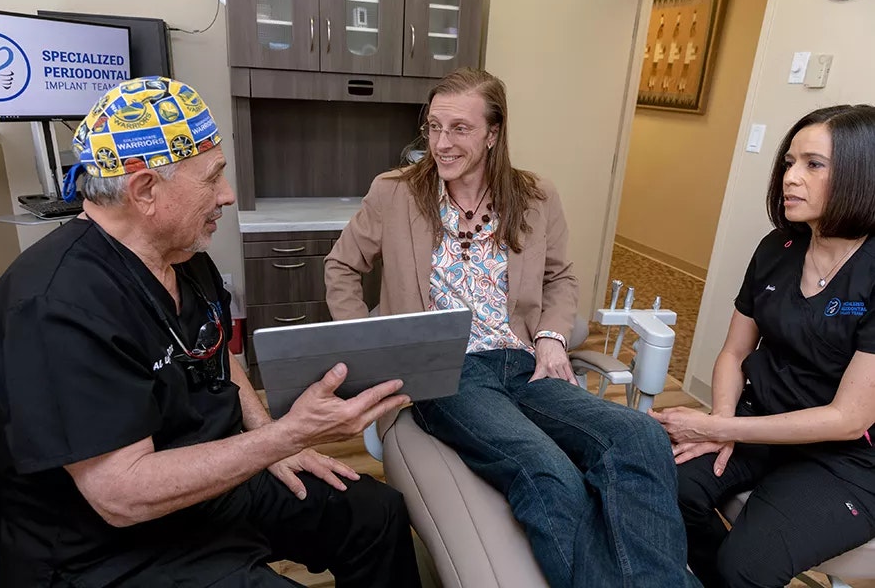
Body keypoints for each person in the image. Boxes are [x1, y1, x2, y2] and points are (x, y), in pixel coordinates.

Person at [0, 76, 422, 588]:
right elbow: (121, 495)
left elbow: (212, 348)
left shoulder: (182, 256)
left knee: (375, 514)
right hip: (105, 547)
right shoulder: (54, 307)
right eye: (213, 178)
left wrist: (274, 441)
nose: (227, 195)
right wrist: (287, 434)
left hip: (208, 484)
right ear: (145, 190)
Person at [324, 67, 698, 588]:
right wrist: (371, 345)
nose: (441, 143)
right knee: (548, 471)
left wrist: (550, 338)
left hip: (523, 361)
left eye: (460, 128)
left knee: (639, 436)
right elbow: (342, 266)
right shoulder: (396, 193)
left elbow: (561, 277)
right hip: (445, 371)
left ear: (493, 133)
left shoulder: (535, 196)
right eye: (434, 127)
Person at [651, 104, 875, 587]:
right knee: (661, 487)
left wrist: (722, 426)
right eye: (789, 162)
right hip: (760, 419)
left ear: (862, 174)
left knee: (746, 566)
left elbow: (849, 418)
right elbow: (734, 352)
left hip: (846, 457)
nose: (790, 177)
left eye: (813, 165)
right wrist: (721, 421)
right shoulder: (777, 248)